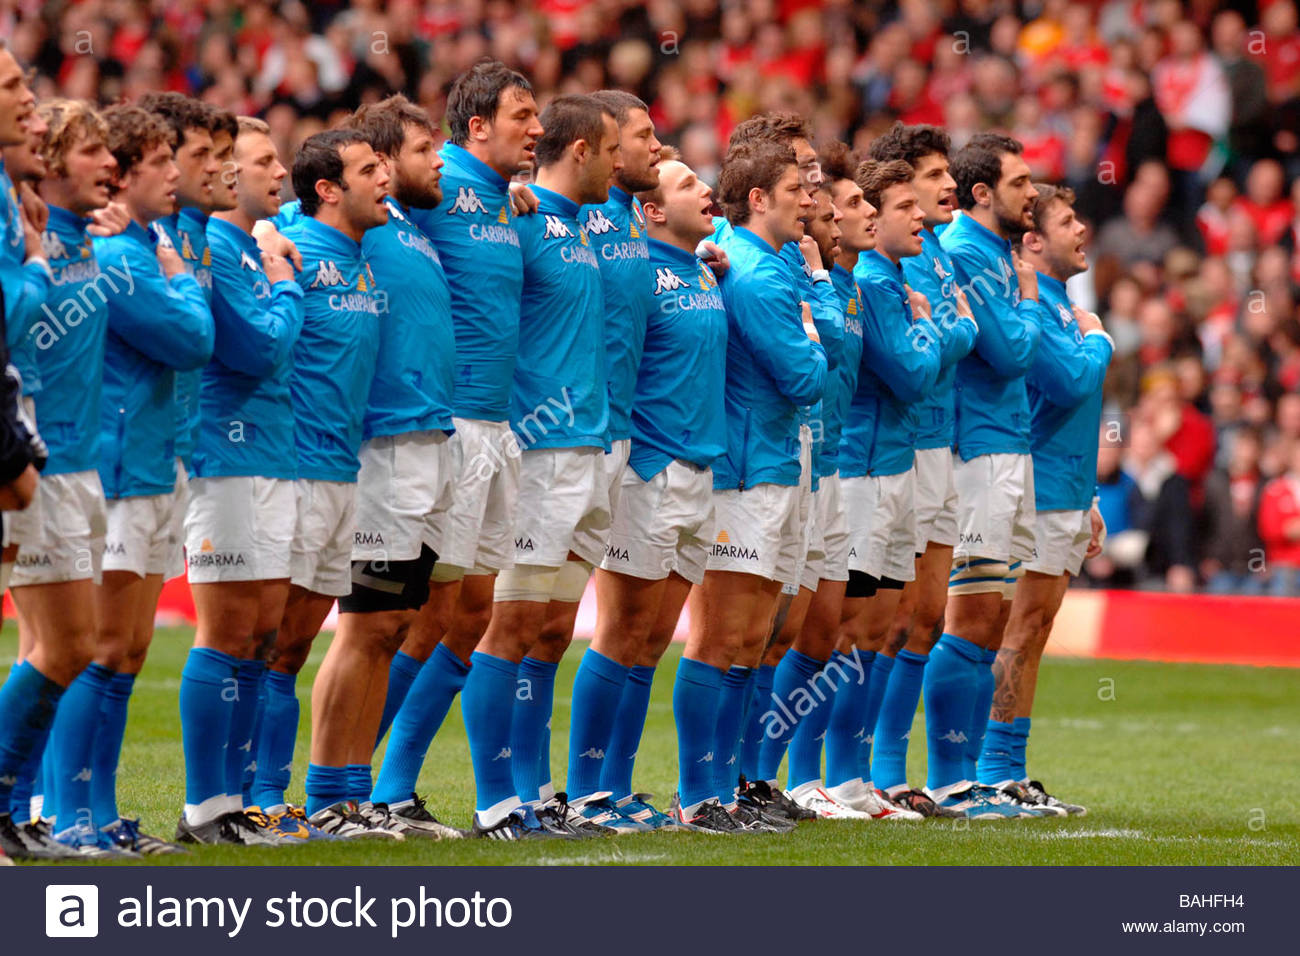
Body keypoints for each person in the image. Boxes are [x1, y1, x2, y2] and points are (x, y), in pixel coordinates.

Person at [369, 62, 542, 820]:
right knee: (424, 616)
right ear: (477, 127)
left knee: (470, 617)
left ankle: (390, 788)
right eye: (522, 116)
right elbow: (343, 198)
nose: (537, 129)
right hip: (452, 424)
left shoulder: (507, 196)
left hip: (501, 427)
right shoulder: (433, 186)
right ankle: (351, 784)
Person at [44, 103, 214, 855]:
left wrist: (172, 267)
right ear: (124, 175)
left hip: (152, 461)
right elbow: (191, 338)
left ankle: (101, 811)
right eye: (160, 163)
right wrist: (180, 278)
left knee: (130, 650)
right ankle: (68, 813)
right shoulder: (121, 256)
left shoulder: (141, 244)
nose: (173, 174)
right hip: (117, 469)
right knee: (102, 649)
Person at [303, 96, 460, 841]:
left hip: (427, 439)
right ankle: (323, 796)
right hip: (382, 445)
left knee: (393, 624)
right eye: (421, 150)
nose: (435, 162)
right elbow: (296, 223)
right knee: (364, 627)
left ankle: (355, 794)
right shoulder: (347, 227)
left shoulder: (407, 225)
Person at [465, 93, 621, 839]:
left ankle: (537, 791)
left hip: (588, 448)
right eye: (614, 149)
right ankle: (494, 801)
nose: (620, 163)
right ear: (583, 150)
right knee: (510, 628)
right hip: (537, 449)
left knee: (553, 633)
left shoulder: (586, 225)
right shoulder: (518, 218)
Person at [669, 136, 826, 831]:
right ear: (759, 199)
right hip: (744, 469)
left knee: (750, 640)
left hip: (773, 461)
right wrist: (813, 326)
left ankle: (726, 789)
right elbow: (806, 377)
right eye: (797, 190)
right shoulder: (758, 276)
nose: (809, 200)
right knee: (720, 640)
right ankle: (698, 794)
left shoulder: (756, 260)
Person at [246, 129, 391, 839]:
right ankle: (252, 796)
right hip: (294, 467)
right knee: (268, 644)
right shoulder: (292, 246)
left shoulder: (363, 255)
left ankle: (274, 800)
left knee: (296, 646)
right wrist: (267, 234)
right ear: (328, 189)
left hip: (343, 471)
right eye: (369, 170)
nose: (384, 178)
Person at [175, 116, 309, 845]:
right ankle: (206, 806)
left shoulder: (250, 246)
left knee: (262, 634)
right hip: (227, 458)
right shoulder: (223, 250)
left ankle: (237, 802)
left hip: (274, 455)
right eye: (260, 161)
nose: (276, 172)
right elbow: (258, 348)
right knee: (227, 630)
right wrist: (288, 286)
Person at [810, 158, 941, 822]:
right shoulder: (862, 283)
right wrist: (940, 325)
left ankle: (853, 778)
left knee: (879, 630)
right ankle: (811, 777)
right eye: (899, 206)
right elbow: (911, 373)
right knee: (842, 634)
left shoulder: (858, 286)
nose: (919, 216)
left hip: (892, 466)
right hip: (856, 472)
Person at [975, 184, 1112, 815]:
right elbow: (1070, 381)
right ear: (1032, 240)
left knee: (1033, 630)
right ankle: (993, 768)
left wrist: (1090, 495)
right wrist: (1100, 339)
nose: (1081, 230)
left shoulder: (1058, 307)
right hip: (1038, 489)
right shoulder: (1038, 306)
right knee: (1019, 628)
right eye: (1067, 222)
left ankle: (1010, 768)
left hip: (1065, 489)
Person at [0, 96, 109, 861]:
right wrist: (38, 262)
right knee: (69, 645)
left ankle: (17, 811)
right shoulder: (35, 231)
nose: (109, 164)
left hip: (70, 455)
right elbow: (14, 316)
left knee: (51, 645)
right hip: (42, 452)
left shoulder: (79, 234)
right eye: (91, 150)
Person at [928, 132, 1047, 818]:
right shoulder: (967, 252)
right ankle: (950, 779)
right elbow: (1008, 353)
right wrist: (1030, 301)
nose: (1032, 193)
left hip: (1006, 443)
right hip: (976, 449)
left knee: (993, 618)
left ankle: (974, 777)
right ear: (982, 192)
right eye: (1020, 182)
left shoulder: (995, 252)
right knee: (971, 617)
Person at [865, 122, 977, 817]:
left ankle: (887, 770)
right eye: (932, 176)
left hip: (938, 441)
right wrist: (953, 330)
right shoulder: (894, 258)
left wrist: (947, 333)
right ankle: (869, 770)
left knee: (925, 616)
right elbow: (925, 351)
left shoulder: (933, 250)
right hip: (898, 446)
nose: (947, 185)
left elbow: (943, 343)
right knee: (889, 616)